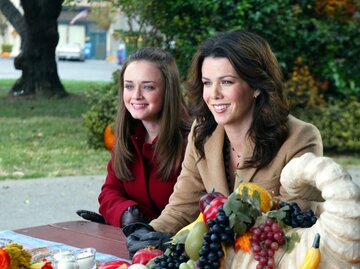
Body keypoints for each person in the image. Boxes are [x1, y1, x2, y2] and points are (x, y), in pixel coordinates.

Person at [124, 29, 323, 257]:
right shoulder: (202, 131)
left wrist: (190, 240)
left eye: (227, 82)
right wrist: (151, 233)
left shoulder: (301, 138)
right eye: (207, 83)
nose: (214, 94)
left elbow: (290, 230)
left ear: (257, 86)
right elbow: (183, 206)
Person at [78, 47, 191, 228]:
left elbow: (190, 210)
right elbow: (110, 192)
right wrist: (125, 213)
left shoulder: (191, 143)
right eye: (129, 86)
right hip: (132, 245)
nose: (136, 95)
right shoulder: (127, 137)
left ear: (167, 91)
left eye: (148, 87)